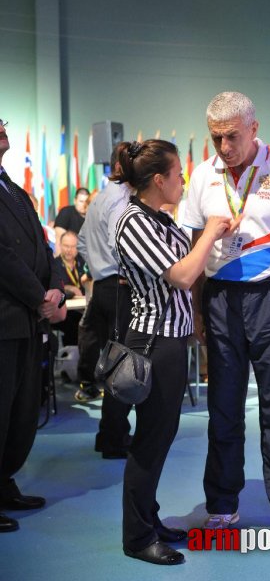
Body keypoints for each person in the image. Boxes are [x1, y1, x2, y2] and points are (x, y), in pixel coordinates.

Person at [184, 92, 270, 560]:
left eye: (233, 137)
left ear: (254, 128)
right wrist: (200, 311)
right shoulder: (201, 176)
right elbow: (196, 256)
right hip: (220, 300)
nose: (224, 146)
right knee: (222, 409)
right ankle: (222, 506)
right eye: (216, 137)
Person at [115, 139, 240, 565]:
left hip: (171, 342)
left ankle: (148, 520)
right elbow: (184, 275)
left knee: (161, 436)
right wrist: (209, 232)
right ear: (158, 180)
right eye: (177, 175)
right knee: (150, 441)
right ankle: (137, 537)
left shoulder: (160, 219)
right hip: (152, 344)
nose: (183, 181)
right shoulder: (133, 222)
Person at [0, 117, 66, 533]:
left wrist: (56, 287)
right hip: (6, 319)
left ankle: (4, 482)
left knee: (22, 410)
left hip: (28, 321)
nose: (2, 127)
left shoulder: (13, 188)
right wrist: (38, 296)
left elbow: (46, 246)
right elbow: (2, 256)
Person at [77, 143, 133, 438]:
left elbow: (83, 243)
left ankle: (110, 433)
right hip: (118, 287)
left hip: (102, 286)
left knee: (114, 362)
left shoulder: (100, 198)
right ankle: (113, 435)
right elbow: (119, 243)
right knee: (121, 365)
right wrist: (122, 271)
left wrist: (99, 267)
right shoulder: (122, 200)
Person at [53, 231, 86, 346]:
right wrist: (70, 288)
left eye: (72, 246)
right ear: (60, 245)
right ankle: (72, 359)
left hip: (82, 307)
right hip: (63, 310)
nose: (69, 250)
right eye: (66, 246)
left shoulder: (82, 262)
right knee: (74, 325)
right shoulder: (54, 264)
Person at [54, 187, 90, 255]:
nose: (84, 204)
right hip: (68, 258)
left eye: (86, 202)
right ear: (75, 201)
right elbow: (59, 239)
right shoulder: (66, 212)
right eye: (81, 201)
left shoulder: (92, 217)